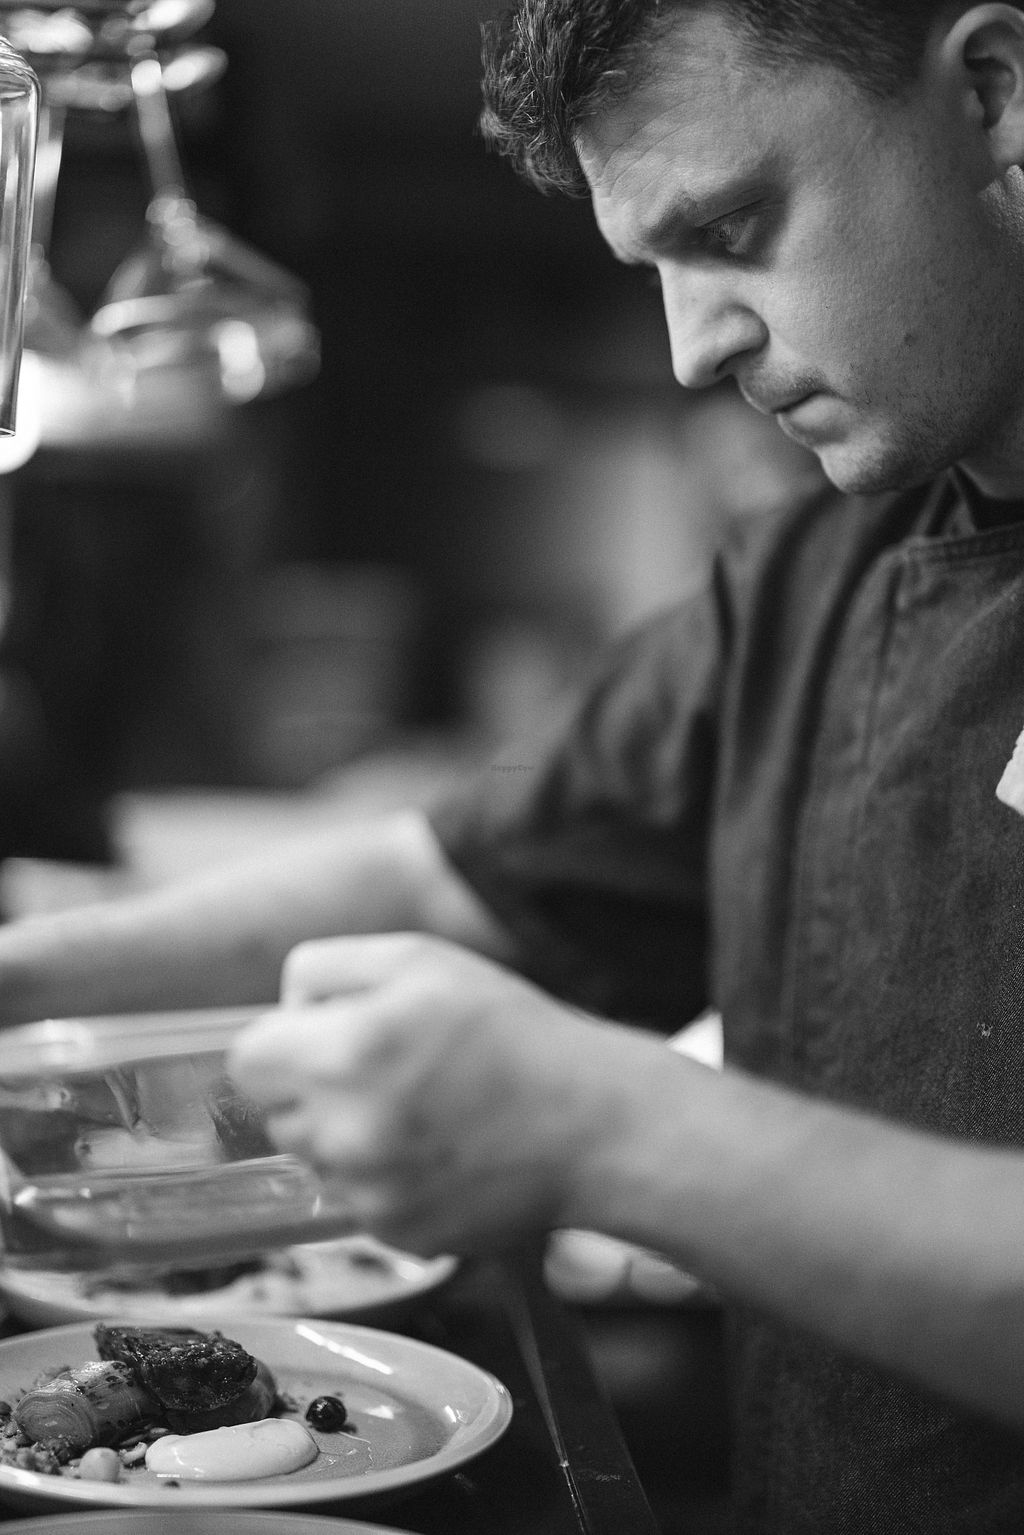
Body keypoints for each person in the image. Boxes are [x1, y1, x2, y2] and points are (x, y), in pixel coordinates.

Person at [6, 0, 1024, 1526]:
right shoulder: (818, 575)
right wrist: (17, 986)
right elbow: (462, 882)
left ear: (995, 96)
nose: (693, 347)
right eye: (655, 266)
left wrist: (611, 1129)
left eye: (733, 228)